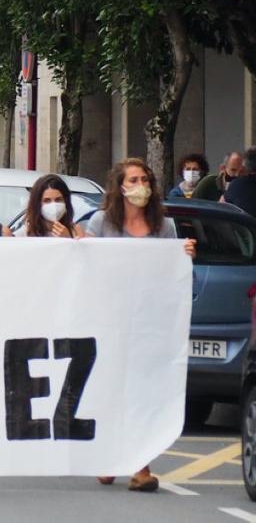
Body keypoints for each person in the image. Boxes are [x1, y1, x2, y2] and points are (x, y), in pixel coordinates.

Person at [86, 157, 195, 492]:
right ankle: (109, 456)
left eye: (145, 179)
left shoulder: (164, 226)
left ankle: (140, 466)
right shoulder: (101, 222)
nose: (140, 186)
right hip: (109, 318)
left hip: (148, 321)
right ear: (120, 187)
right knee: (113, 388)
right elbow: (85, 264)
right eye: (133, 180)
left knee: (142, 391)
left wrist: (185, 254)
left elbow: (169, 272)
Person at [17, 174, 85, 238]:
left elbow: (81, 246)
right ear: (37, 204)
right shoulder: (26, 233)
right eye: (47, 200)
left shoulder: (76, 231)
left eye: (58, 200)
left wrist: (68, 238)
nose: (54, 205)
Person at [223, 148, 256, 218]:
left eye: (241, 171)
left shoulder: (236, 185)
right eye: (233, 170)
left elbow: (219, 212)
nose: (237, 174)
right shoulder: (209, 182)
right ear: (223, 168)